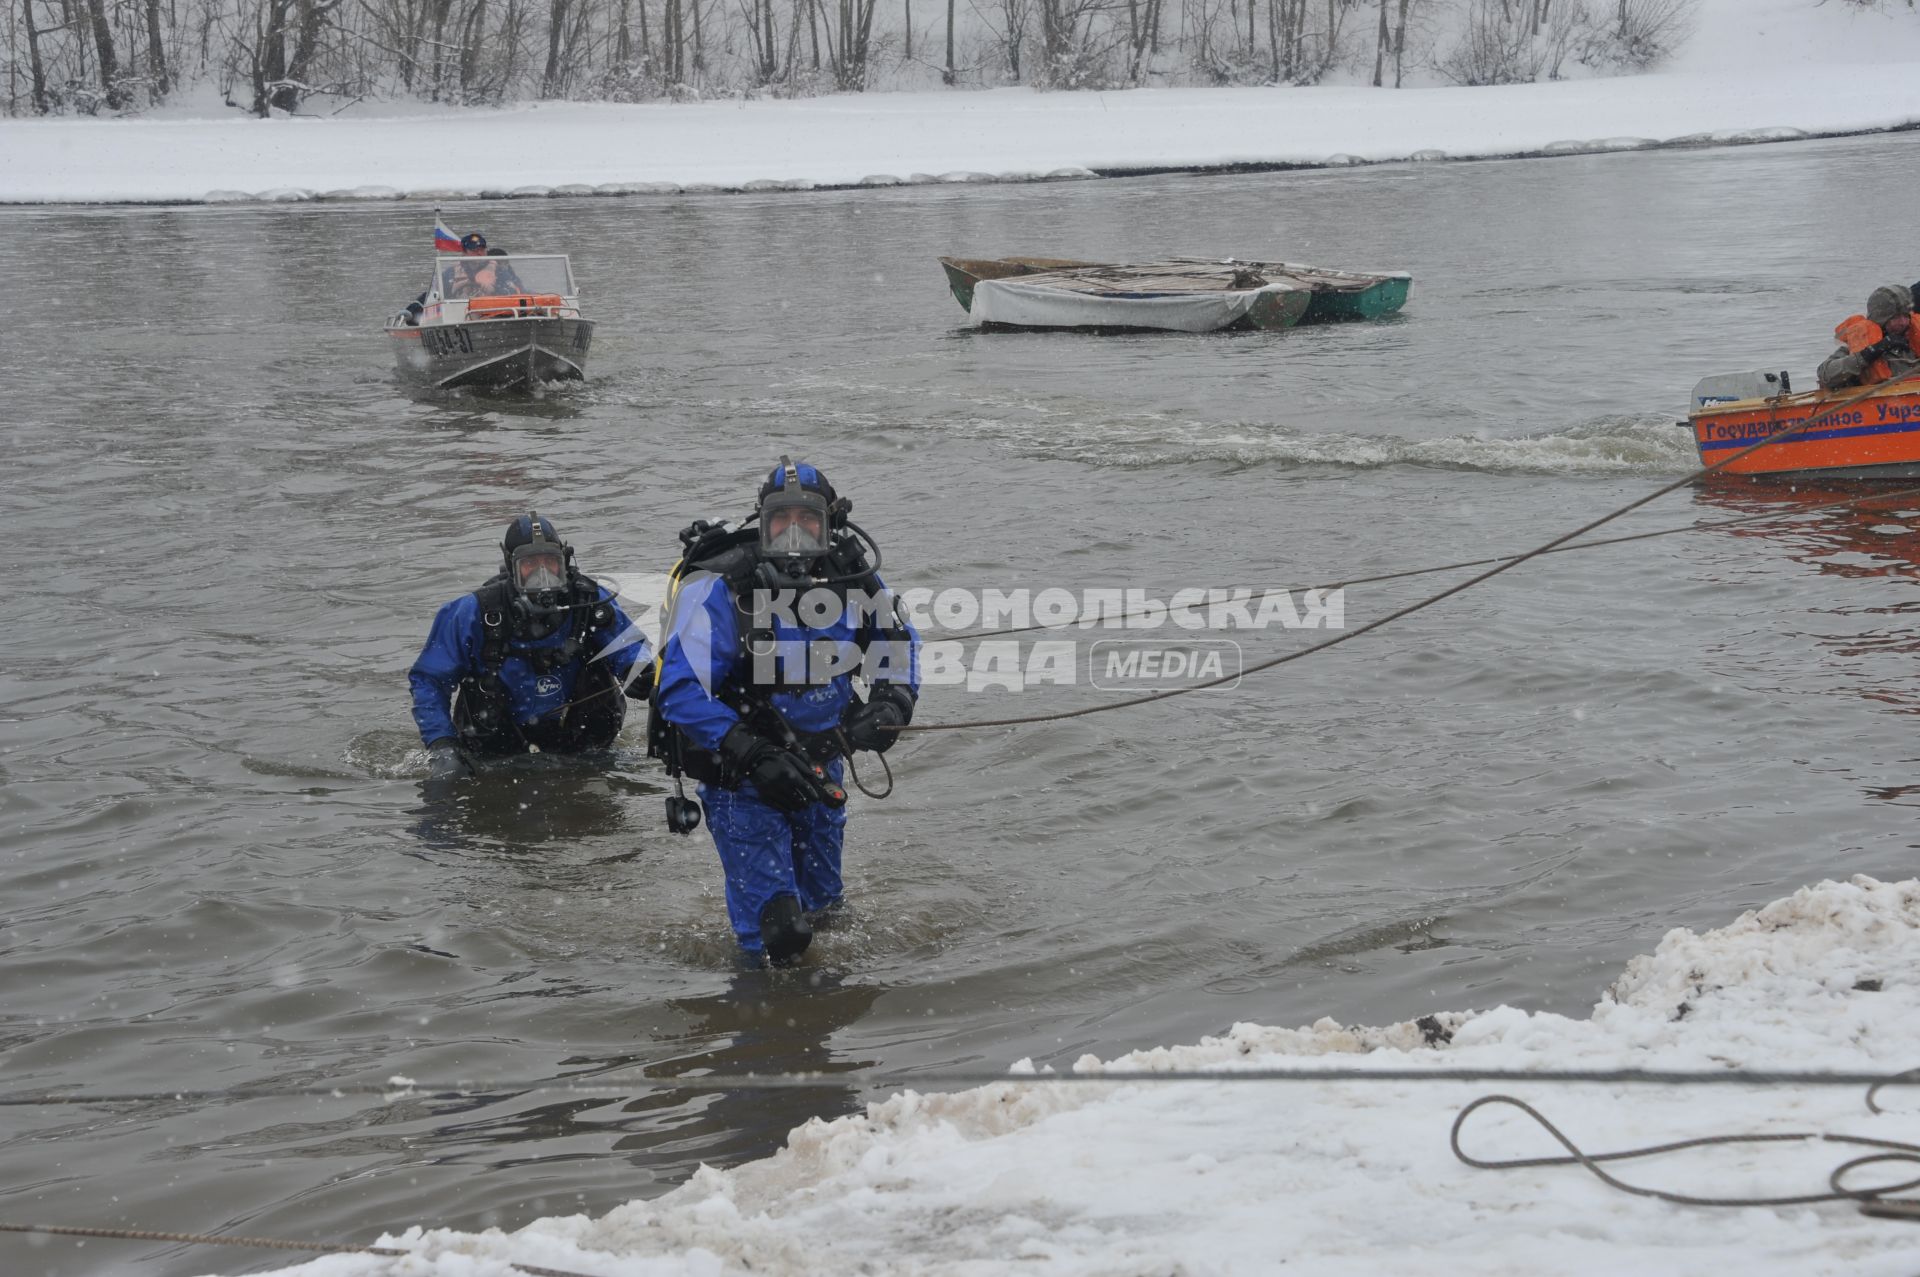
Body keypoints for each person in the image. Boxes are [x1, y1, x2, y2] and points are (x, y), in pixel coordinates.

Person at [650, 459, 921, 965]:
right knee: (778, 935)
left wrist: (892, 701)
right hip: (742, 779)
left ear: (829, 524)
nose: (794, 535)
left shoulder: (855, 579)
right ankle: (761, 1023)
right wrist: (749, 753)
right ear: (761, 522)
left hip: (823, 765)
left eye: (807, 521)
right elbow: (680, 690)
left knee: (826, 912)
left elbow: (898, 649)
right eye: (781, 522)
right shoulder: (720, 589)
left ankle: (823, 1022)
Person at [410, 513, 653, 779]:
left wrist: (638, 669)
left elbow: (628, 646)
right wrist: (442, 746)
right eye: (530, 565)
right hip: (495, 747)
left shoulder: (590, 603)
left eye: (550, 562)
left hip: (583, 746)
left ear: (565, 561)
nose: (542, 574)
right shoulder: (473, 613)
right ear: (510, 565)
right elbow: (429, 681)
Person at [1817, 284, 1920, 390]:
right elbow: (1824, 374)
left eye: (1906, 316)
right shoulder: (1858, 343)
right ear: (1881, 319)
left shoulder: (1914, 340)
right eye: (1896, 317)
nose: (1903, 322)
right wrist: (1871, 352)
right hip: (1878, 402)